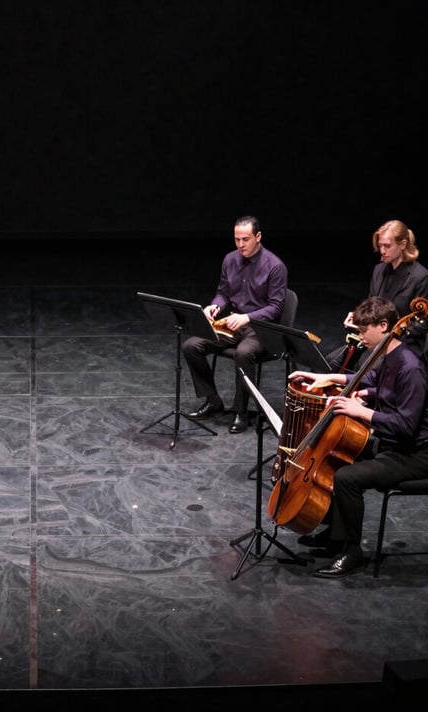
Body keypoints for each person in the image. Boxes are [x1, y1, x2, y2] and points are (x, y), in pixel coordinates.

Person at [287, 296, 428, 578]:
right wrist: (336, 382)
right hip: (394, 444)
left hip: (415, 453)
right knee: (335, 455)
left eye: (364, 331)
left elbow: (405, 425)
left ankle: (352, 553)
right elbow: (375, 385)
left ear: (384, 326)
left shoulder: (411, 368)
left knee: (347, 478)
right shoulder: (389, 356)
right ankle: (335, 536)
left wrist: (360, 411)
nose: (360, 337)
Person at [182, 215, 288, 434]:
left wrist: (248, 317)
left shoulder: (275, 266)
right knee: (192, 345)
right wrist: (215, 306)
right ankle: (213, 401)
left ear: (258, 237)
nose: (240, 245)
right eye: (237, 239)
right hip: (233, 324)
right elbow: (223, 293)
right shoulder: (230, 259)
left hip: (261, 328)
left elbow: (276, 307)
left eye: (245, 239)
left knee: (243, 353)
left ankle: (241, 411)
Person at [326, 219, 428, 372]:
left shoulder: (420, 276)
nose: (382, 251)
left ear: (403, 244)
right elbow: (371, 307)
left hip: (403, 344)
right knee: (330, 362)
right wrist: (357, 318)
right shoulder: (379, 270)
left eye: (387, 246)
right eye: (380, 245)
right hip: (376, 341)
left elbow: (424, 323)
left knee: (365, 369)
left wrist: (390, 334)